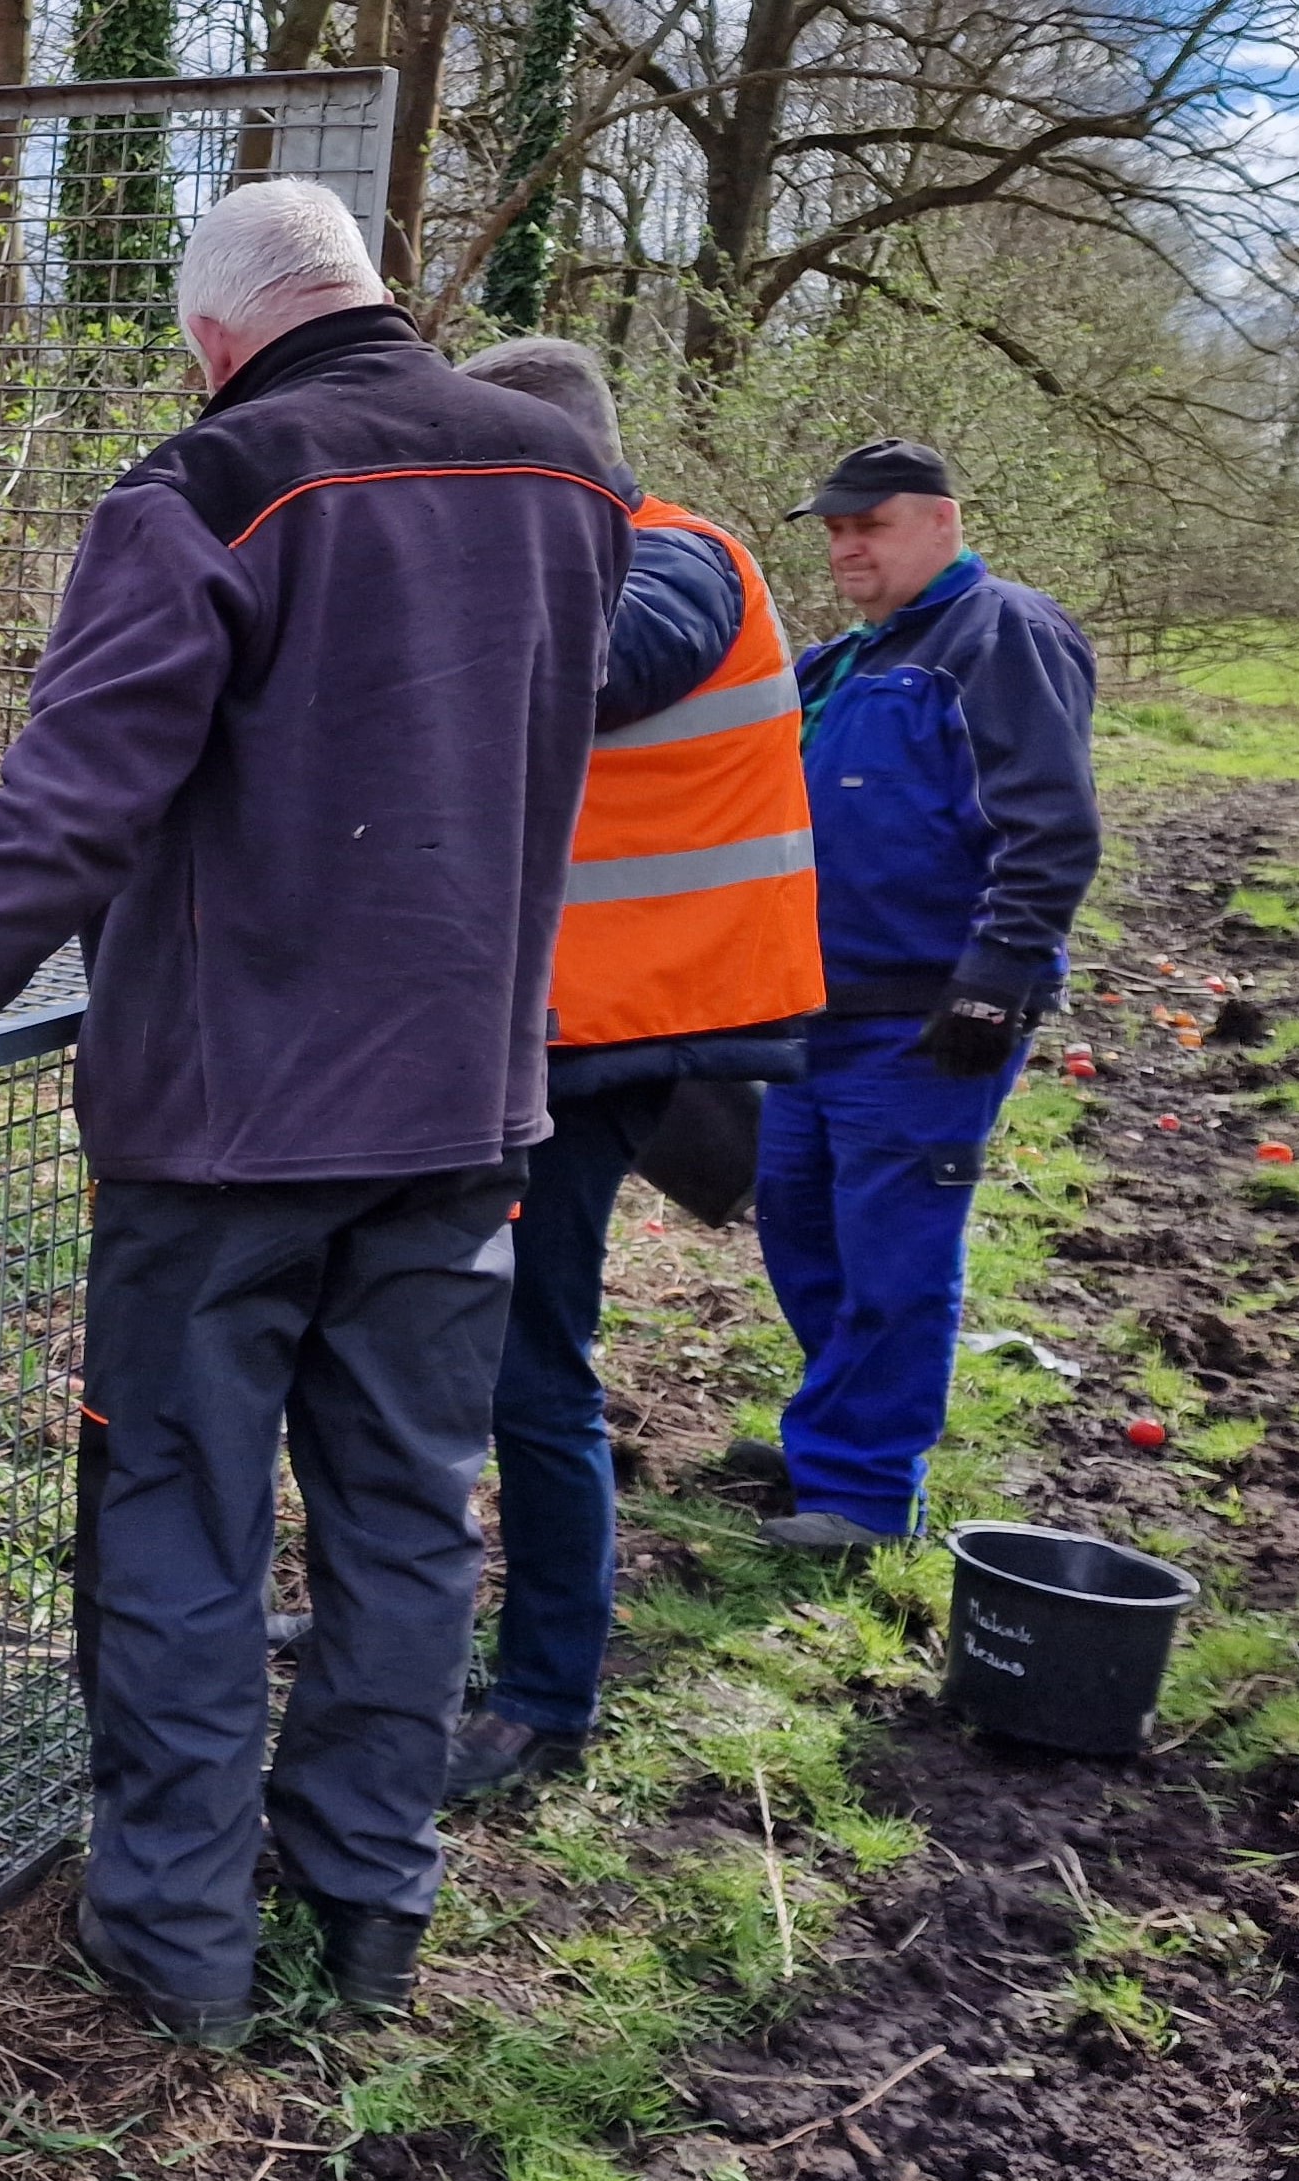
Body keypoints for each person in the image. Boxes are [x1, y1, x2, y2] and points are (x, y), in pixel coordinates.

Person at [0, 181, 630, 2044]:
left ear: (213, 336)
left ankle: (176, 1941)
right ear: (367, 291)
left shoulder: (209, 488)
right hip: (464, 1111)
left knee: (183, 1528)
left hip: (231, 1131)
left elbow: (75, 797)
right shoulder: (571, 484)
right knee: (408, 1518)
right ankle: (368, 1913)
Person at [437, 338, 824, 1797]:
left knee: (533, 1370)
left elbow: (581, 675)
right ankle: (454, 1636)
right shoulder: (586, 559)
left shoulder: (678, 564)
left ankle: (545, 1691)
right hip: (537, 1032)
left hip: (608, 1045)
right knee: (466, 1354)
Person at [750, 439, 1098, 1549]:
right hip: (816, 1009)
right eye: (837, 528)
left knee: (894, 1248)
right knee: (805, 1230)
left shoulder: (999, 635)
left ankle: (861, 1493)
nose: (848, 545)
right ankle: (832, 1438)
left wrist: (995, 981)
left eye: (873, 523)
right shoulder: (842, 659)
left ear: (941, 523)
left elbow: (1050, 827)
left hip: (925, 1017)